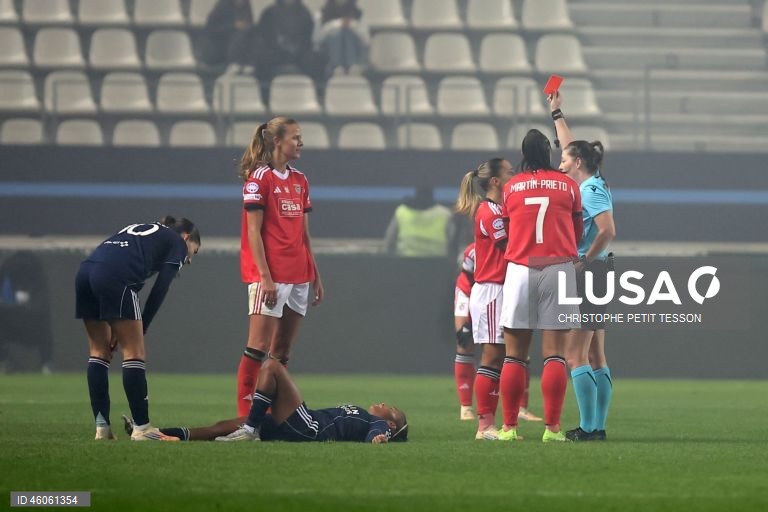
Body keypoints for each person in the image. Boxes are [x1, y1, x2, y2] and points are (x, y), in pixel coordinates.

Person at [75, 216, 201, 441]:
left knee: (99, 352)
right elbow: (161, 287)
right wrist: (143, 326)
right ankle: (142, 429)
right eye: (195, 251)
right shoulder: (177, 243)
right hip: (115, 277)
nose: (190, 259)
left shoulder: (143, 230)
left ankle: (102, 428)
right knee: (134, 352)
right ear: (187, 237)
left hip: (85, 272)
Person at [494, 128, 583, 443]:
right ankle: (552, 429)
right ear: (548, 153)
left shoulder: (511, 187)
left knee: (514, 356)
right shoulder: (569, 186)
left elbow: (505, 229)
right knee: (555, 355)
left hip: (520, 269)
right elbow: (577, 229)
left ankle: (508, 428)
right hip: (558, 268)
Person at [235, 116, 324, 417]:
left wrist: (315, 274)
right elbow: (252, 232)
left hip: (299, 274)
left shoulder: (301, 180)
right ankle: (244, 417)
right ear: (277, 141)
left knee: (282, 350)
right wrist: (265, 278)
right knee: (257, 345)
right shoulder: (260, 178)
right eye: (295, 137)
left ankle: (269, 413)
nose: (300, 143)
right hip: (271, 276)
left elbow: (304, 233)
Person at [123, 359, 408, 443]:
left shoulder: (376, 423)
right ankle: (157, 435)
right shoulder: (369, 416)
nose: (384, 403)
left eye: (390, 408)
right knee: (223, 426)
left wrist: (379, 438)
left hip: (310, 428)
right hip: (300, 426)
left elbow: (376, 432)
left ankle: (250, 431)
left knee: (271, 367)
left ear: (390, 423)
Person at [550, 92, 616, 442]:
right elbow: (572, 144)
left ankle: (590, 428)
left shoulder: (590, 190)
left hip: (591, 273)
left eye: (564, 159)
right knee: (595, 353)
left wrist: (584, 260)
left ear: (577, 163)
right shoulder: (591, 178)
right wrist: (557, 112)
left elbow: (608, 230)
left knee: (574, 354)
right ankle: (596, 427)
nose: (560, 162)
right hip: (600, 272)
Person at [455, 158, 514, 440]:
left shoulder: (499, 209)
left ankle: (492, 423)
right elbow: (510, 247)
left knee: (500, 358)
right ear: (495, 181)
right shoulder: (488, 213)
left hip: (502, 288)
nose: (513, 175)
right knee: (491, 358)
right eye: (509, 172)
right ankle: (484, 425)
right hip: (492, 290)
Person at [0, 251, 54, 374]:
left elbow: (41, 304)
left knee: (44, 330)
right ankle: (4, 362)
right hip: (9, 321)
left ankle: (47, 364)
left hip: (32, 323)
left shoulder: (38, 290)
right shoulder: (5, 277)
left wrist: (28, 306)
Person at [255, 0, 325, 86]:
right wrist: (279, 47)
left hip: (299, 54)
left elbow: (307, 38)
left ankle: (319, 94)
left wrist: (295, 48)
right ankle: (265, 95)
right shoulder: (269, 13)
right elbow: (265, 36)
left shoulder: (304, 13)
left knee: (316, 59)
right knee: (262, 58)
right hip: (275, 52)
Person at [384, 186, 453, 257]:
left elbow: (390, 242)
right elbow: (452, 243)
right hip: (437, 263)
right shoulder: (444, 214)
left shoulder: (401, 212)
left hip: (405, 262)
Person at [315, 0, 370, 78]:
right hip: (327, 54)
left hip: (354, 51)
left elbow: (366, 39)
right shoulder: (322, 12)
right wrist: (337, 25)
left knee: (348, 33)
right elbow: (317, 38)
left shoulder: (358, 13)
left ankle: (352, 66)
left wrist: (352, 25)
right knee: (336, 34)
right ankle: (336, 66)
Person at [452, 242, 476, 420]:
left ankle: (520, 407)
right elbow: (463, 288)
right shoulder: (472, 252)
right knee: (464, 343)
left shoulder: (510, 247)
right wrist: (462, 328)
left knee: (512, 351)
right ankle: (466, 407)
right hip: (474, 299)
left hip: (500, 294)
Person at [202, 0, 258, 74]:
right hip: (219, 48)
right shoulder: (223, 5)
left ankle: (246, 62)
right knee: (238, 34)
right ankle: (234, 62)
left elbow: (249, 23)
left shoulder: (246, 5)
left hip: (239, 46)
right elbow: (211, 28)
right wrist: (233, 25)